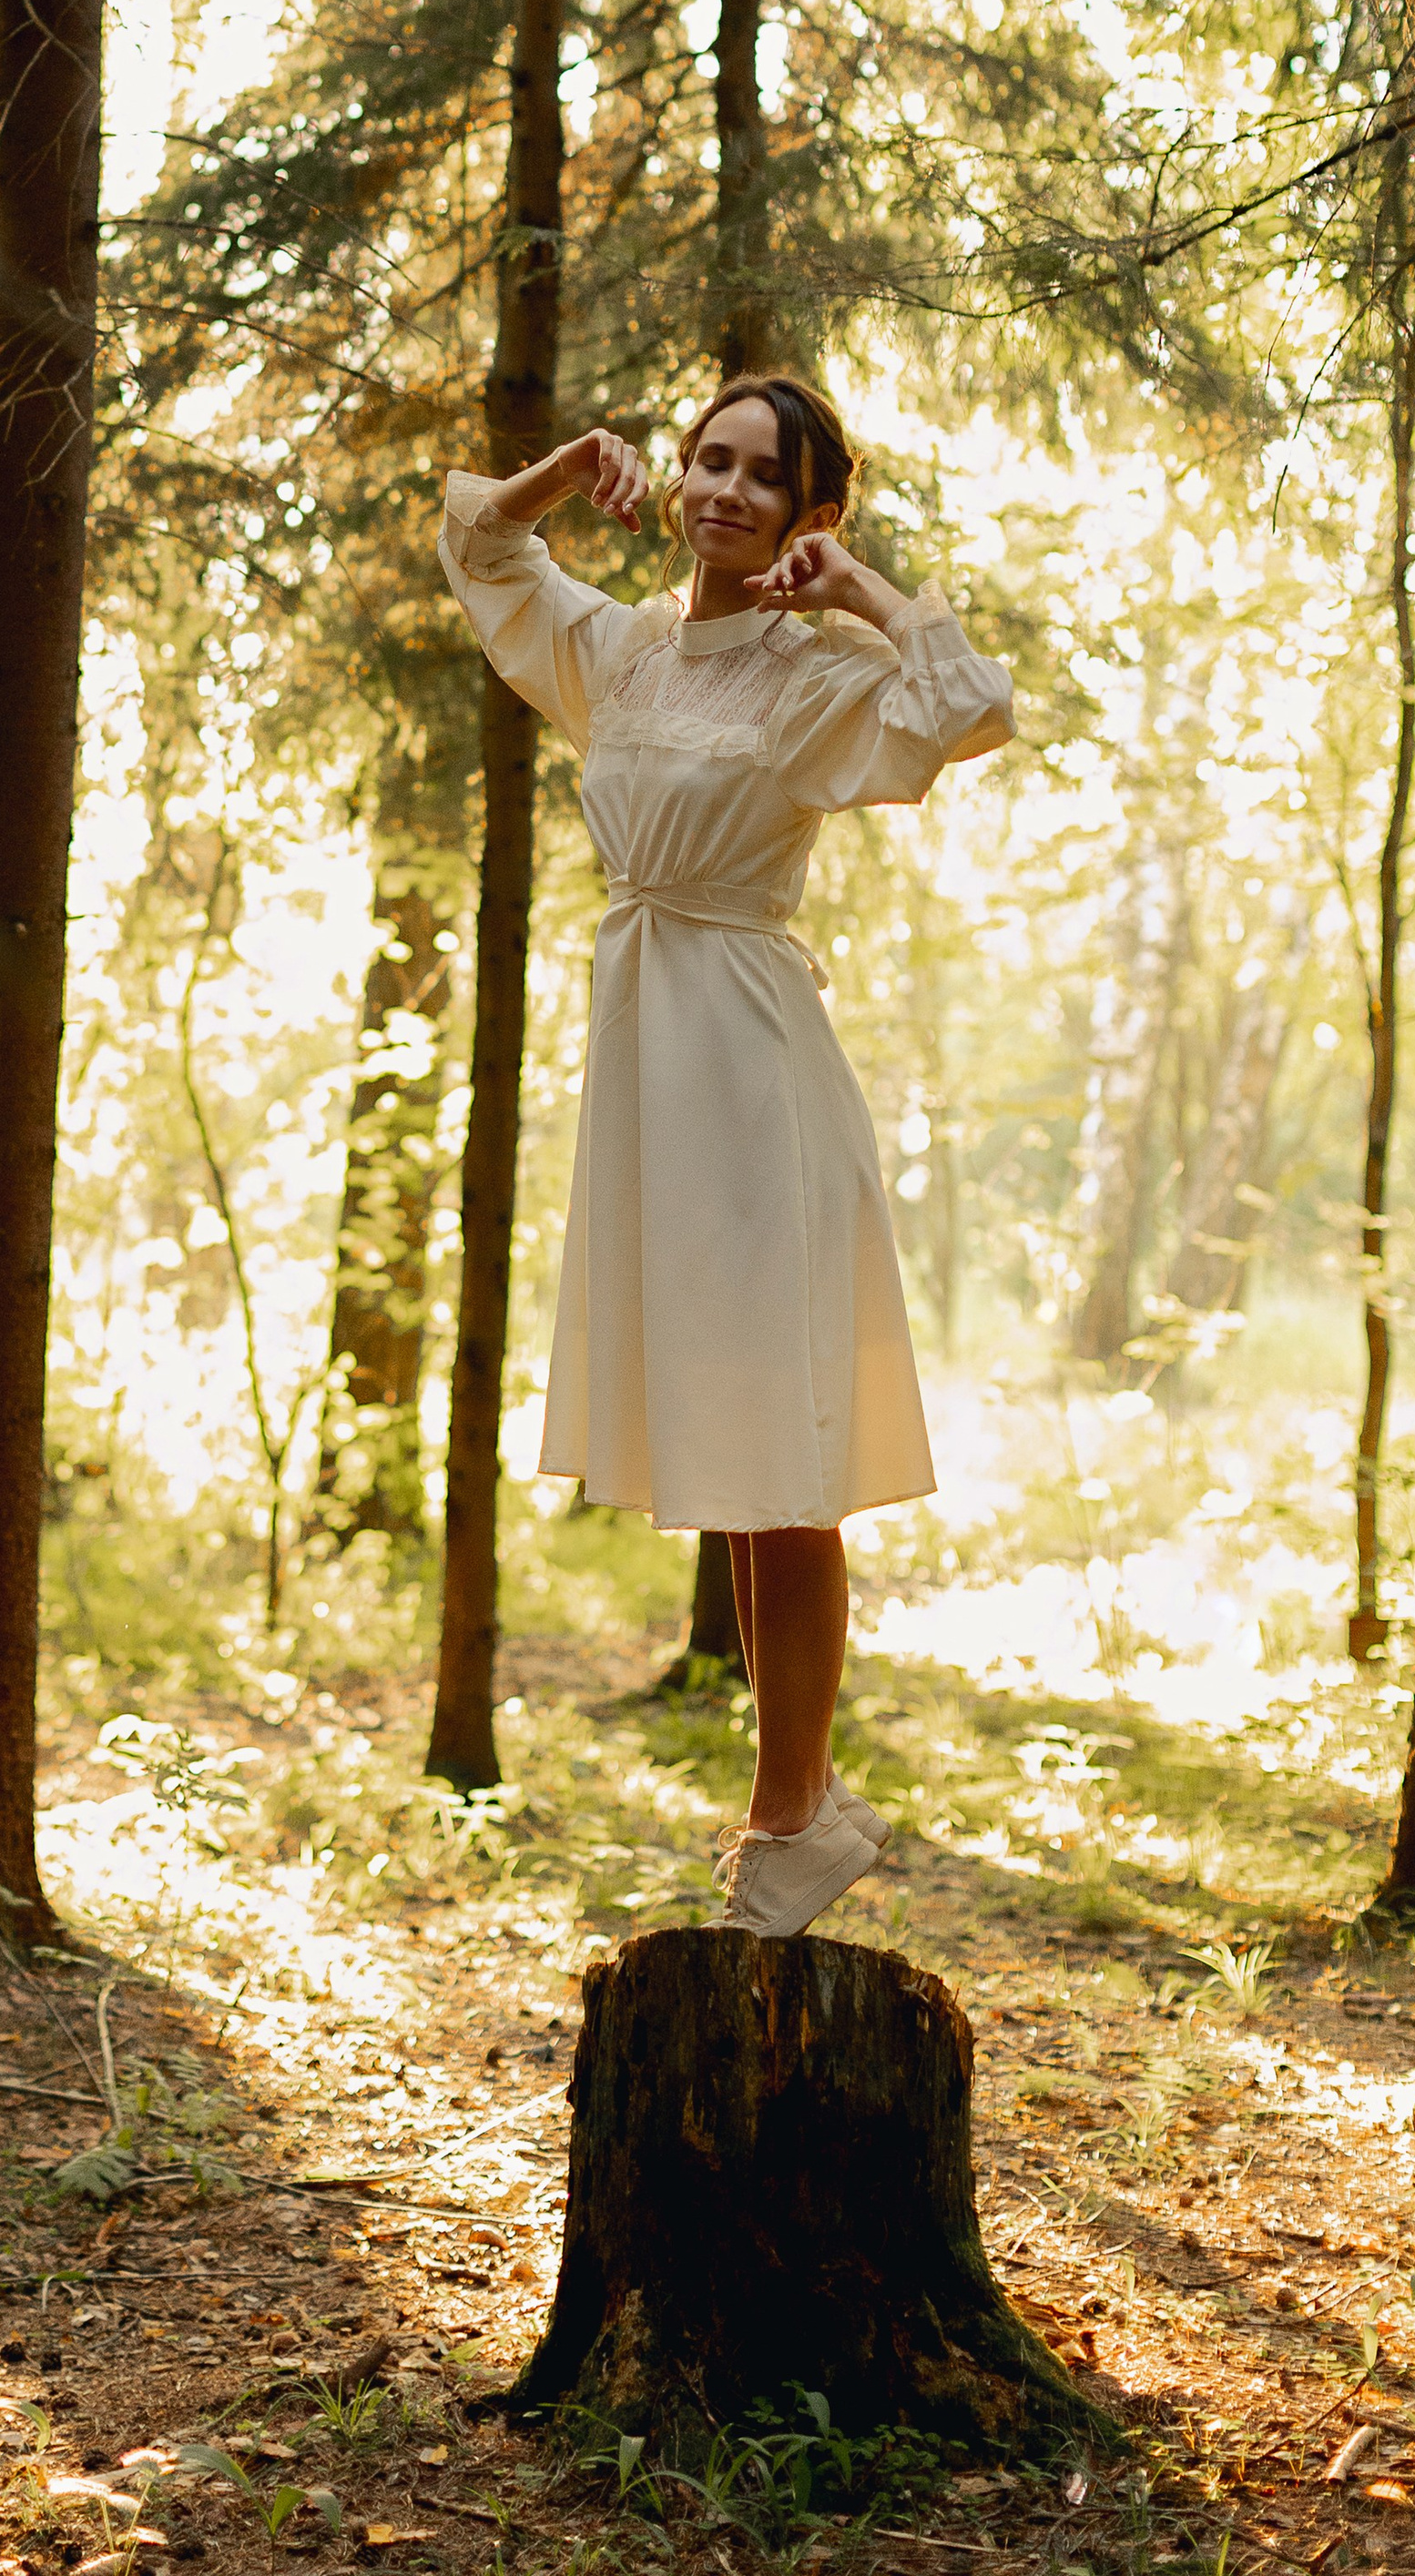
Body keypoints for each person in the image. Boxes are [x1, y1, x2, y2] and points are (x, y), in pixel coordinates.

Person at [437, 373, 1013, 1938]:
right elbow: (483, 548)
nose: (725, 492)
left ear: (810, 511)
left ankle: (789, 1813)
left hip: (755, 1076)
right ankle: (798, 1809)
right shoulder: (619, 653)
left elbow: (969, 709)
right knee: (744, 1470)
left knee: (789, 1459)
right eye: (708, 461)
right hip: (651, 1072)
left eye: (766, 478)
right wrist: (570, 467)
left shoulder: (817, 672)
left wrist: (873, 593)